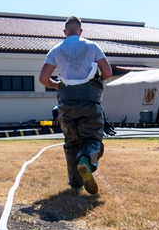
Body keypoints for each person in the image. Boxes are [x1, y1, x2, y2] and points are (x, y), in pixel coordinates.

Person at [39, 16, 113, 194]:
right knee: (92, 139)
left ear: (65, 32)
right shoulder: (92, 46)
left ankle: (75, 183)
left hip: (66, 104)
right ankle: (86, 160)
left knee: (71, 142)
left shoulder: (56, 50)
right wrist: (95, 80)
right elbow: (107, 72)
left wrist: (56, 84)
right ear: (80, 31)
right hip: (90, 103)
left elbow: (43, 79)